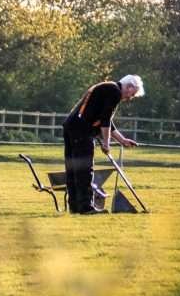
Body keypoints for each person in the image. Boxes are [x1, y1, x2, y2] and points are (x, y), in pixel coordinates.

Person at [62, 75, 145, 215]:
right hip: (82, 130)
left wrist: (122, 140)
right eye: (132, 94)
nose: (130, 98)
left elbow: (106, 120)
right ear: (129, 87)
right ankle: (86, 207)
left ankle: (75, 206)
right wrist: (106, 144)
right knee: (84, 168)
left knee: (74, 168)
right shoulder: (114, 92)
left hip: (72, 127)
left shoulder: (108, 88)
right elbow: (105, 120)